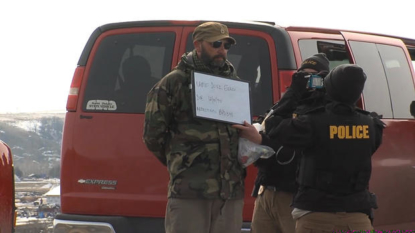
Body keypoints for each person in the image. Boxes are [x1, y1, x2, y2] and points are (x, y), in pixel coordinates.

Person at [233, 64, 385, 232]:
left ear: (330, 87)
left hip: (317, 213)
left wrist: (293, 93)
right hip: (357, 214)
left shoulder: (312, 123)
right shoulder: (372, 125)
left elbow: (274, 128)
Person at [143, 22, 245, 233]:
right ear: (198, 45)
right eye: (216, 44)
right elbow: (153, 136)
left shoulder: (232, 83)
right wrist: (183, 162)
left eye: (226, 45)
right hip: (190, 193)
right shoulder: (173, 83)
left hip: (230, 193)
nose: (222, 50)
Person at [249, 53, 330, 233]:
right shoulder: (287, 103)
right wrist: (293, 92)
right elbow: (269, 123)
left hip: (293, 195)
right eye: (303, 76)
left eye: (313, 76)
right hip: (267, 189)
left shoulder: (324, 110)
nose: (307, 81)